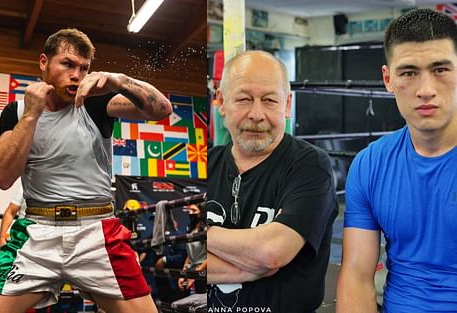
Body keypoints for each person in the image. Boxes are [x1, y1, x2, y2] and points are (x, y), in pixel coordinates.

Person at [0, 28, 172, 313]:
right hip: (35, 234)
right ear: (44, 62)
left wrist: (121, 81)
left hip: (96, 231)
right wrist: (32, 114)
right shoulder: (16, 112)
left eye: (84, 68)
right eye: (67, 64)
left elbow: (161, 109)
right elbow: (2, 178)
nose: (76, 75)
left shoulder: (96, 103)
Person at [337, 9, 457, 312]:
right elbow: (357, 276)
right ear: (388, 79)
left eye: (441, 69)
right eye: (409, 72)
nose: (426, 90)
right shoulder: (369, 165)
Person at [207, 50, 338, 313]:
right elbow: (184, 257)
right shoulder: (206, 163)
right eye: (243, 99)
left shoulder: (310, 165)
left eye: (269, 101)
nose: (256, 114)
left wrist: (202, 235)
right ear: (221, 101)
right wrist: (249, 265)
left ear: (287, 105)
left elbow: (272, 252)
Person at [177, 204, 207, 294]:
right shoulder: (192, 230)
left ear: (201, 213)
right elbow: (189, 255)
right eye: (189, 210)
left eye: (194, 210)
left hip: (205, 272)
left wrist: (196, 273)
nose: (190, 213)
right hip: (193, 270)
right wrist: (183, 274)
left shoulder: (206, 230)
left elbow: (213, 255)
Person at [0, 185, 26, 252]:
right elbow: (10, 212)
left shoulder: (55, 190)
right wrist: (2, 238)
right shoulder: (26, 185)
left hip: (48, 240)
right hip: (21, 238)